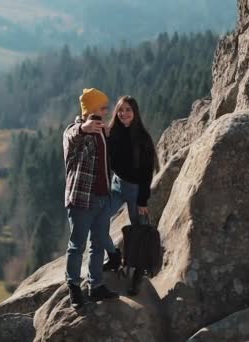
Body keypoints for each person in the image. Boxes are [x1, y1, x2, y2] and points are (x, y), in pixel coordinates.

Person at [63, 88, 119, 308]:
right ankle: (74, 288)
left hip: (103, 198)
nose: (106, 111)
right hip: (81, 200)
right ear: (91, 109)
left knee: (97, 243)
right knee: (77, 246)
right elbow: (70, 138)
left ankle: (95, 286)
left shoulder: (103, 132)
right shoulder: (75, 131)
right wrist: (83, 128)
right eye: (102, 107)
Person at [104, 95, 159, 295]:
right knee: (100, 217)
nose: (124, 114)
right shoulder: (112, 134)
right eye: (120, 110)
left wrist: (143, 200)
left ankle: (138, 273)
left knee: (140, 232)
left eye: (128, 110)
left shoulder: (143, 138)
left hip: (136, 190)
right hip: (117, 185)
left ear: (135, 113)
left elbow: (147, 172)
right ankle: (114, 256)